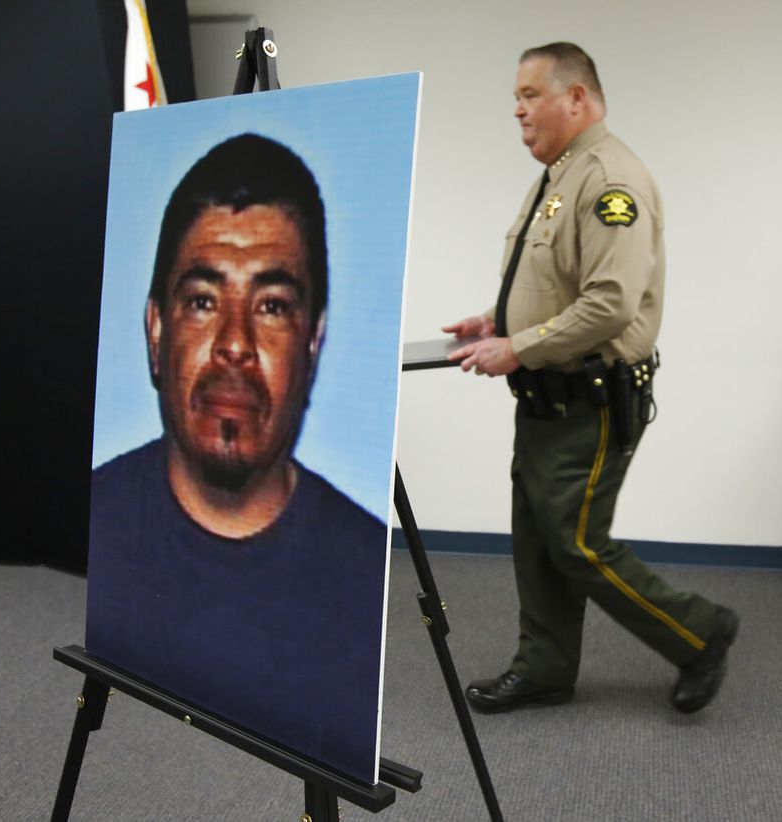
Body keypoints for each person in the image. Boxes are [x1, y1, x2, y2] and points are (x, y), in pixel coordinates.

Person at [444, 43, 738, 715]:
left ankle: (701, 633)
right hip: (547, 394)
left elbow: (609, 304)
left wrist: (517, 347)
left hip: (592, 397)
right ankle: (544, 667)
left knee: (577, 542)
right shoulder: (559, 174)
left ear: (576, 98)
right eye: (514, 98)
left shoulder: (610, 180)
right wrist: (492, 321)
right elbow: (555, 282)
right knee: (538, 532)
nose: (517, 111)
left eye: (529, 95)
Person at [86, 133, 387, 783]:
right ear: (156, 330)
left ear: (313, 342)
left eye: (272, 306)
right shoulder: (90, 527)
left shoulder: (369, 568)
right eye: (202, 301)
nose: (234, 345)